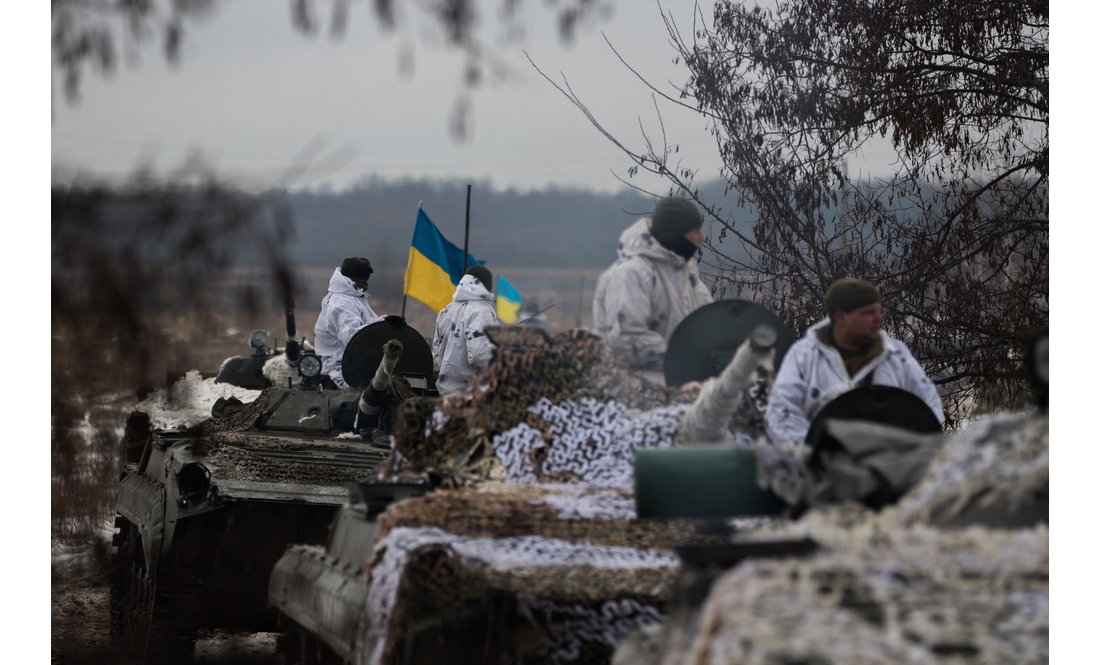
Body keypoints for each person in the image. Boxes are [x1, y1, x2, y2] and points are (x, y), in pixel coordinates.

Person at [764, 278, 944, 444]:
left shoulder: (896, 355)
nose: (878, 318)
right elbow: (782, 414)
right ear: (841, 317)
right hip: (824, 469)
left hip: (889, 466)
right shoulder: (804, 356)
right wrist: (813, 455)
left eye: (878, 311)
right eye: (868, 313)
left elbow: (928, 405)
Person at [592, 196, 713, 376]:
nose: (701, 238)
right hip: (636, 386)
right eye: (695, 231)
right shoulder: (631, 274)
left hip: (685, 381)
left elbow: (711, 326)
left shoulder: (687, 274)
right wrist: (685, 361)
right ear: (676, 233)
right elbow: (627, 339)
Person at [314, 257, 383, 389]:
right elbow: (354, 338)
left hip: (352, 367)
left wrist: (386, 322)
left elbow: (371, 325)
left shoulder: (353, 297)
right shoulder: (341, 302)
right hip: (338, 374)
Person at [433, 265, 500, 394]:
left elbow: (437, 348)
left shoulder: (446, 310)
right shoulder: (481, 311)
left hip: (445, 392)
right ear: (487, 287)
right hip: (473, 395)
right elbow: (479, 355)